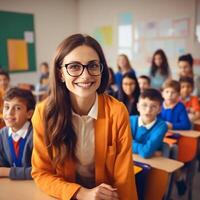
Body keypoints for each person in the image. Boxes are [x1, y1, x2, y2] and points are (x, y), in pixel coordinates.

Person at [31, 34, 138, 200]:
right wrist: (81, 193)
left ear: (101, 70)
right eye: (74, 66)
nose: (86, 75)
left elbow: (124, 179)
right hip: (64, 195)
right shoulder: (44, 113)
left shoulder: (117, 111)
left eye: (93, 66)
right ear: (60, 74)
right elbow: (42, 173)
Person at [0, 87, 35, 179]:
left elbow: (40, 171)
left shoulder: (35, 135)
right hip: (12, 186)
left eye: (17, 108)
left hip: (34, 187)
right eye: (6, 107)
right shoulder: (2, 134)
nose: (9, 113)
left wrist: (7, 172)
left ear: (29, 114)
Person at [130, 89, 167, 158]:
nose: (148, 110)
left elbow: (146, 152)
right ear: (138, 107)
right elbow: (122, 144)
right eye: (144, 105)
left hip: (153, 163)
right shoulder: (130, 120)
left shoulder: (161, 126)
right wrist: (145, 149)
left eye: (153, 106)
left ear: (159, 109)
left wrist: (131, 146)